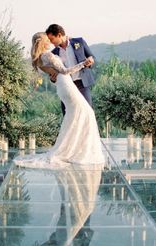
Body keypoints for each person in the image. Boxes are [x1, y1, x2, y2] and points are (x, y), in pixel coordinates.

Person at [14, 32, 104, 167]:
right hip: (66, 84)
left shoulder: (38, 59)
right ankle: (77, 150)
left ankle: (73, 148)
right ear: (43, 42)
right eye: (47, 39)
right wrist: (83, 64)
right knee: (86, 113)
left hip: (61, 86)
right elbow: (65, 71)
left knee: (74, 115)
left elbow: (53, 73)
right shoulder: (49, 54)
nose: (50, 41)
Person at [44, 24, 95, 115]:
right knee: (68, 113)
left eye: (52, 39)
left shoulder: (79, 42)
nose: (51, 43)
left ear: (59, 35)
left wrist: (90, 61)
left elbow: (92, 57)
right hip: (66, 86)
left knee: (87, 112)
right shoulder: (53, 53)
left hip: (82, 83)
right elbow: (52, 75)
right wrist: (52, 78)